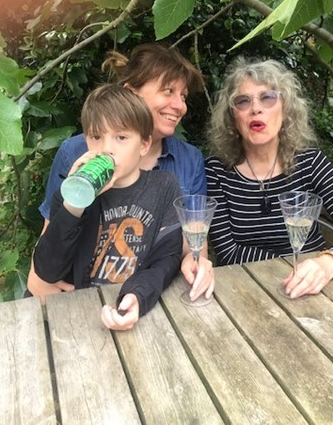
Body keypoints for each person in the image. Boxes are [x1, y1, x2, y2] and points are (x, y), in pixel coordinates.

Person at [30, 43, 214, 303]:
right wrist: (40, 284)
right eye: (168, 91)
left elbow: (190, 245)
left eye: (183, 96)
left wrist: (198, 261)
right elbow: (51, 241)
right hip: (78, 299)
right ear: (131, 95)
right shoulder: (77, 153)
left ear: (145, 144)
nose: (180, 105)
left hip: (149, 294)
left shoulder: (188, 161)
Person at [205, 58, 333, 299]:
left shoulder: (311, 163)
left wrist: (328, 263)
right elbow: (228, 252)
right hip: (246, 291)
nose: (255, 108)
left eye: (267, 97)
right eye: (243, 101)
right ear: (233, 118)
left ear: (285, 109)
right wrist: (297, 265)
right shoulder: (216, 171)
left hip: (315, 288)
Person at [33, 84, 182, 330]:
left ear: (144, 145)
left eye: (121, 137)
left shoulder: (164, 186)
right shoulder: (71, 194)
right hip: (76, 313)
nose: (106, 149)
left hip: (131, 305)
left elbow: (167, 258)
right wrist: (74, 205)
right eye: (96, 137)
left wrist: (138, 295)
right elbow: (48, 271)